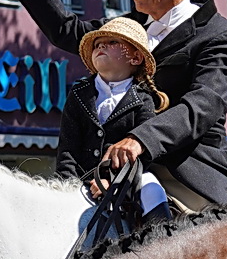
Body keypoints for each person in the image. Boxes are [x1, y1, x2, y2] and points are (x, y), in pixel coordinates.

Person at [11, 0, 227, 211]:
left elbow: (201, 106)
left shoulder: (218, 34)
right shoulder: (126, 27)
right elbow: (67, 32)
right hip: (108, 170)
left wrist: (140, 140)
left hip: (183, 174)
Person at [55, 17, 172, 227]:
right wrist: (66, 185)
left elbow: (143, 153)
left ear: (135, 58)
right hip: (79, 180)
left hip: (127, 179)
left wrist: (115, 182)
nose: (101, 46)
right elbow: (67, 148)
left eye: (112, 43)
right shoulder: (79, 94)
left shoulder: (143, 99)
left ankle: (165, 248)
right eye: (98, 44)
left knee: (153, 189)